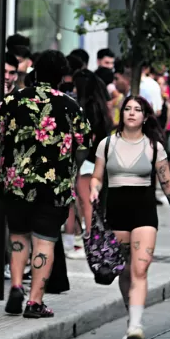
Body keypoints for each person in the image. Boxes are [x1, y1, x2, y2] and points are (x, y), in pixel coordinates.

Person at [0, 50, 90, 319]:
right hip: (54, 184)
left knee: (18, 235)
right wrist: (73, 168)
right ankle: (35, 301)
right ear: (62, 75)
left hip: (16, 181)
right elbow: (84, 144)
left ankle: (15, 285)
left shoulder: (12, 100)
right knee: (45, 239)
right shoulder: (70, 105)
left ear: (35, 71)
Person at [90, 97, 170, 339]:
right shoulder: (107, 144)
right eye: (127, 109)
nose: (132, 113)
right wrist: (94, 190)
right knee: (124, 271)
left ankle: (136, 326)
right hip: (116, 212)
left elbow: (167, 183)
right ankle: (132, 316)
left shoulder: (154, 147)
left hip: (144, 212)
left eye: (137, 110)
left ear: (145, 116)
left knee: (140, 268)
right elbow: (97, 177)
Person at [66, 69, 110, 262]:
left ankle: (89, 242)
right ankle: (90, 240)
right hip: (96, 160)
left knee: (86, 203)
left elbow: (85, 138)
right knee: (90, 203)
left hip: (86, 162)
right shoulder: (100, 107)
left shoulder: (86, 108)